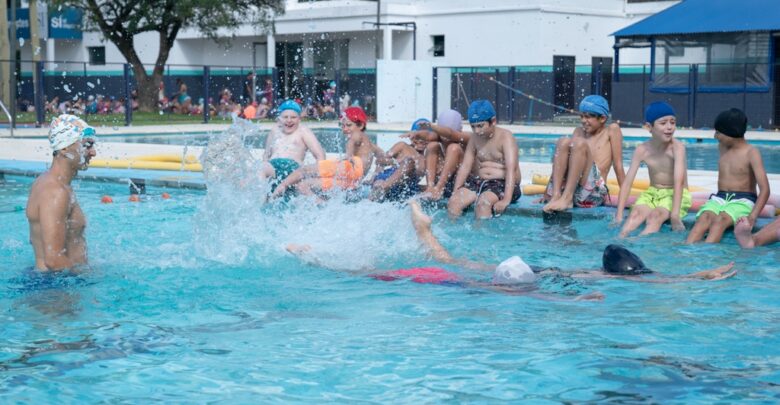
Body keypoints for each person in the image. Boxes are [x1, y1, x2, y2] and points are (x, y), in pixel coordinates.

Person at [686, 108, 770, 244]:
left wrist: (753, 216)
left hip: (742, 200)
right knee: (703, 219)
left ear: (731, 133)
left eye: (718, 132)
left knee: (719, 222)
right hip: (720, 197)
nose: (715, 136)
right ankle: (685, 252)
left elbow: (765, 189)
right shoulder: (723, 147)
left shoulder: (751, 153)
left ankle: (707, 257)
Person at [26, 114, 97, 272]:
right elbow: (53, 259)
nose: (93, 153)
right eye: (87, 145)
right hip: (57, 289)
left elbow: (36, 240)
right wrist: (90, 279)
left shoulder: (46, 182)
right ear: (64, 147)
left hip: (51, 283)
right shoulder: (56, 192)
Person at [613, 102, 691, 237]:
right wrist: (619, 215)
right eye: (663, 123)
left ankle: (640, 246)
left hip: (675, 193)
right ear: (649, 127)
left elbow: (679, 182)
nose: (669, 127)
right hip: (652, 193)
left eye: (672, 122)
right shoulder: (642, 150)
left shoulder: (677, 149)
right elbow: (627, 183)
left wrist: (675, 215)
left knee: (655, 216)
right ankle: (620, 240)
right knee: (635, 215)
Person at [542, 95, 626, 212]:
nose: (583, 121)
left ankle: (567, 198)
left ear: (602, 119)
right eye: (581, 116)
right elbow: (564, 163)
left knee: (579, 143)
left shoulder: (611, 130)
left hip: (593, 193)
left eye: (587, 117)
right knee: (563, 141)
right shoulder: (578, 131)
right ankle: (556, 194)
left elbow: (618, 166)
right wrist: (547, 192)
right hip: (574, 189)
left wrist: (625, 197)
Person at [270, 106, 376, 199]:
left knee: (303, 171)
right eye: (342, 125)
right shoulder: (370, 144)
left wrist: (349, 155)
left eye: (348, 125)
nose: (345, 129)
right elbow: (383, 158)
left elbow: (351, 142)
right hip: (353, 180)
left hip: (350, 168)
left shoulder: (357, 134)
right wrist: (374, 176)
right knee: (303, 185)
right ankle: (321, 205)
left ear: (361, 125)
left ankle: (279, 189)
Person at [447, 100, 521, 219]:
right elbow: (465, 166)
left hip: (502, 183)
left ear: (493, 121)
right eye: (473, 127)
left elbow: (511, 169)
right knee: (454, 202)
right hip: (479, 182)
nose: (477, 131)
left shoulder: (506, 137)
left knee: (483, 204)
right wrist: (455, 191)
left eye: (480, 126)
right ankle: (451, 236)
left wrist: (506, 199)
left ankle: (482, 237)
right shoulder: (475, 138)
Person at [260, 100, 326, 191]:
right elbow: (266, 155)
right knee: (261, 169)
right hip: (272, 168)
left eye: (293, 117)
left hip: (293, 170)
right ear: (279, 119)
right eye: (285, 117)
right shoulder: (274, 130)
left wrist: (314, 174)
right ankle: (260, 202)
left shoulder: (303, 131)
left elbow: (320, 156)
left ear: (299, 119)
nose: (289, 120)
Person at [405, 109, 469, 201]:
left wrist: (431, 126)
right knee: (432, 146)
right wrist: (416, 133)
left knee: (453, 148)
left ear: (460, 130)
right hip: (444, 186)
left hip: (461, 186)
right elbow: (428, 135)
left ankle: (438, 188)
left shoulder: (466, 138)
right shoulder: (438, 137)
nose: (445, 139)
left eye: (445, 134)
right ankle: (430, 187)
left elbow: (450, 134)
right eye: (442, 135)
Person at [369, 119, 429, 202]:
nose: (421, 140)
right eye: (417, 137)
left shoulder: (429, 157)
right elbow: (380, 160)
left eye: (424, 138)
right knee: (409, 162)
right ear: (411, 136)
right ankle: (380, 190)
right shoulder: (402, 146)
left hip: (408, 187)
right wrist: (397, 162)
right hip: (389, 176)